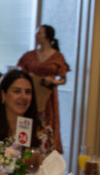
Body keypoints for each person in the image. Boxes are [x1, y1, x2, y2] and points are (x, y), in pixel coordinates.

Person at [0, 68, 55, 161]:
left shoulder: (42, 132)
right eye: (17, 91)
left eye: (28, 92)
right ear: (3, 95)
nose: (24, 97)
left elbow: (50, 169)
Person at [17, 24, 70, 152]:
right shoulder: (29, 55)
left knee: (46, 124)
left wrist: (52, 80)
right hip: (30, 94)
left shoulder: (57, 56)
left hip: (47, 97)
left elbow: (63, 79)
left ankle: (47, 149)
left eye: (39, 33)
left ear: (47, 37)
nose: (36, 36)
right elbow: (19, 74)